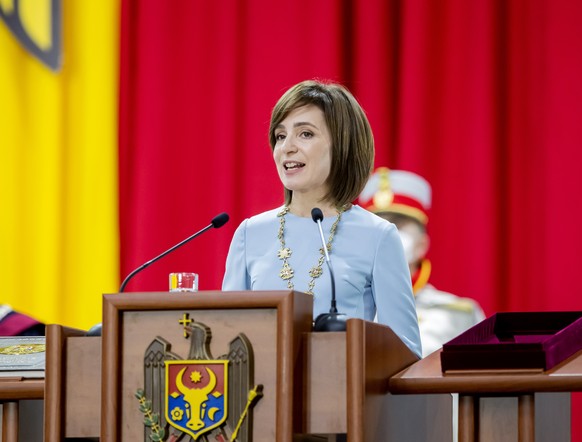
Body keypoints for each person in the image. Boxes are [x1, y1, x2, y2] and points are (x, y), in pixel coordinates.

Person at [222, 80, 421, 358]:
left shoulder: (377, 235)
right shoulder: (250, 233)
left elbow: (405, 352)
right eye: (280, 136)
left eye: (305, 134)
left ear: (342, 146)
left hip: (342, 394)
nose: (287, 147)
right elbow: (228, 337)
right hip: (259, 397)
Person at [358, 167, 485, 357]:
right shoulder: (343, 307)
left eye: (397, 226)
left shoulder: (459, 315)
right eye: (377, 225)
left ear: (421, 244)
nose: (386, 235)